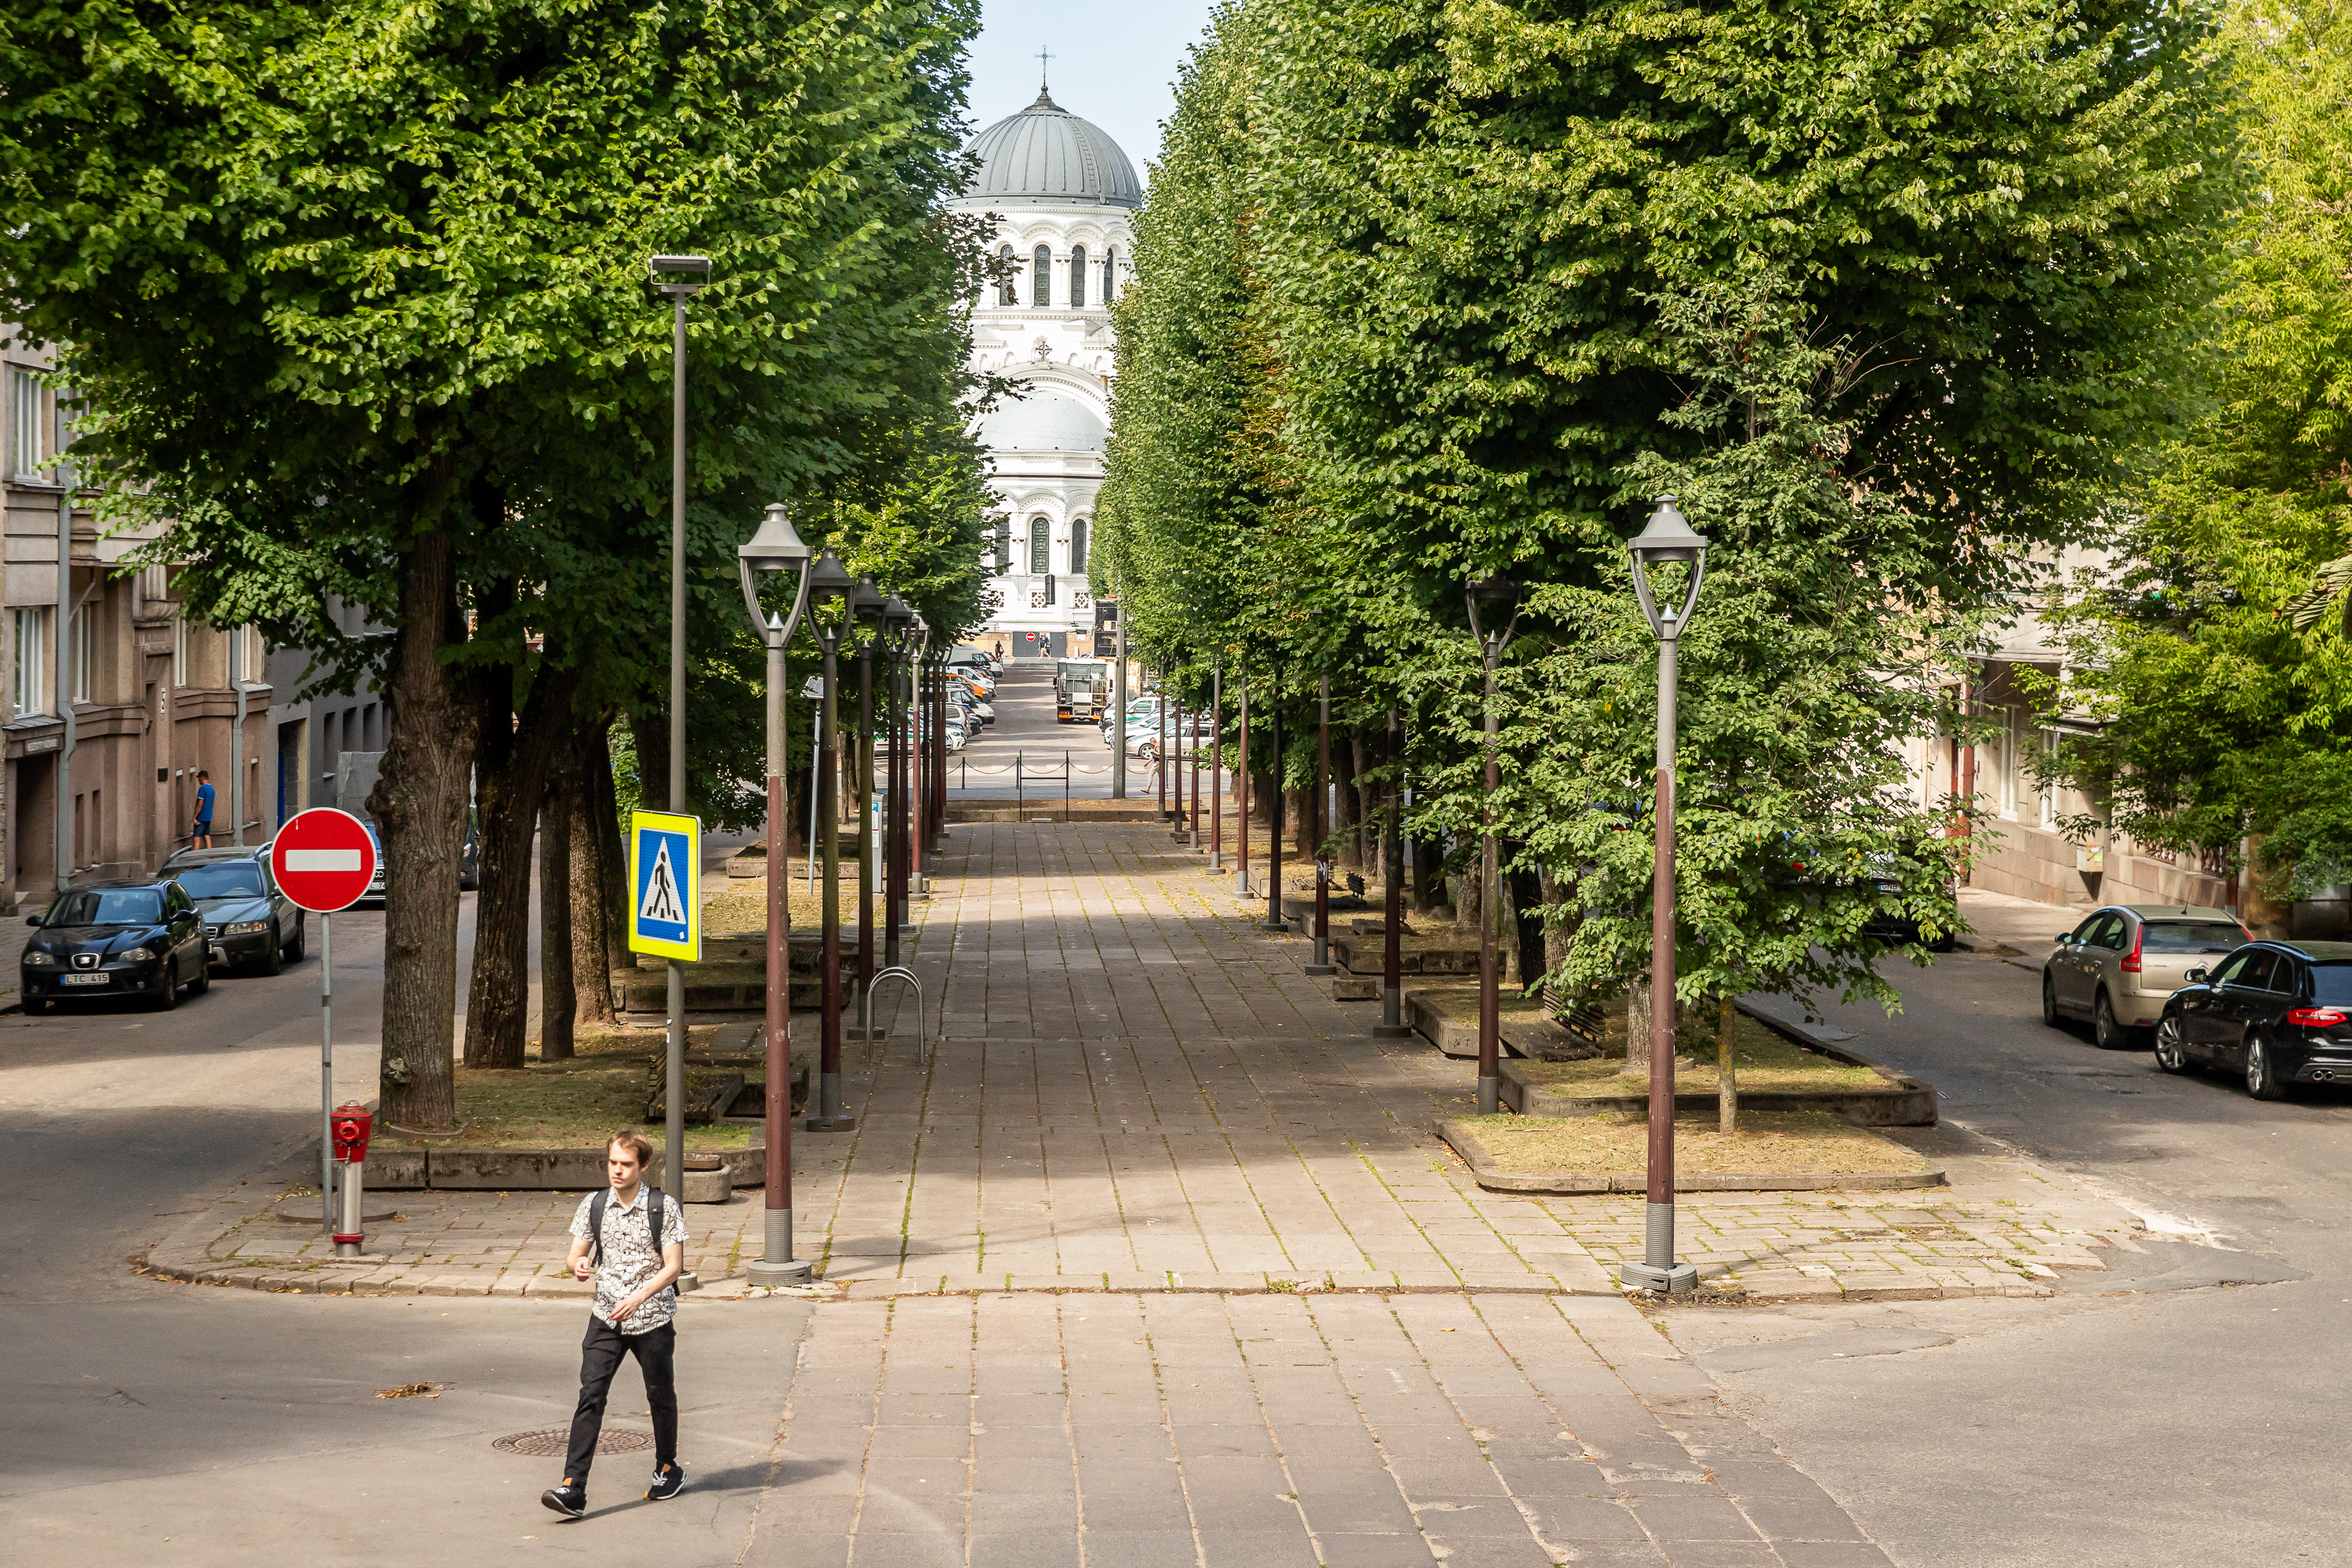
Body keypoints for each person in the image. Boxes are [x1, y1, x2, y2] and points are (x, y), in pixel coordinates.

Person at [541, 1131, 690, 1519]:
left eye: (626, 1164)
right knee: (591, 1394)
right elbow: (575, 1254)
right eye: (613, 1163)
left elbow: (673, 1266)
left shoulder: (663, 1206)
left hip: (652, 1316)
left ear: (643, 1166)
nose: (618, 1171)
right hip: (606, 1315)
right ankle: (573, 1488)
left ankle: (668, 1468)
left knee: (660, 1395)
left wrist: (639, 1296)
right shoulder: (595, 1204)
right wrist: (579, 1266)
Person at [191, 770, 215, 849]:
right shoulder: (212, 789)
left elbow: (200, 804)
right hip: (208, 816)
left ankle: (195, 857)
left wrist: (194, 817)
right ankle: (209, 854)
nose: (198, 781)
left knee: (197, 838)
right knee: (207, 836)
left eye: (198, 778)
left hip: (201, 817)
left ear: (201, 778)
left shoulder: (203, 788)